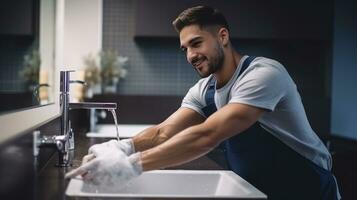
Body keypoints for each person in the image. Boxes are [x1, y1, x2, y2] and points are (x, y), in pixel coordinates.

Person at [66, 5, 340, 200]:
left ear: (223, 36)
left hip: (308, 190)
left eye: (197, 43)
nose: (190, 55)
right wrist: (121, 147)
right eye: (185, 48)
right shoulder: (204, 89)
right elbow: (162, 132)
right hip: (258, 191)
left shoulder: (264, 74)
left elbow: (208, 135)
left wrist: (131, 166)